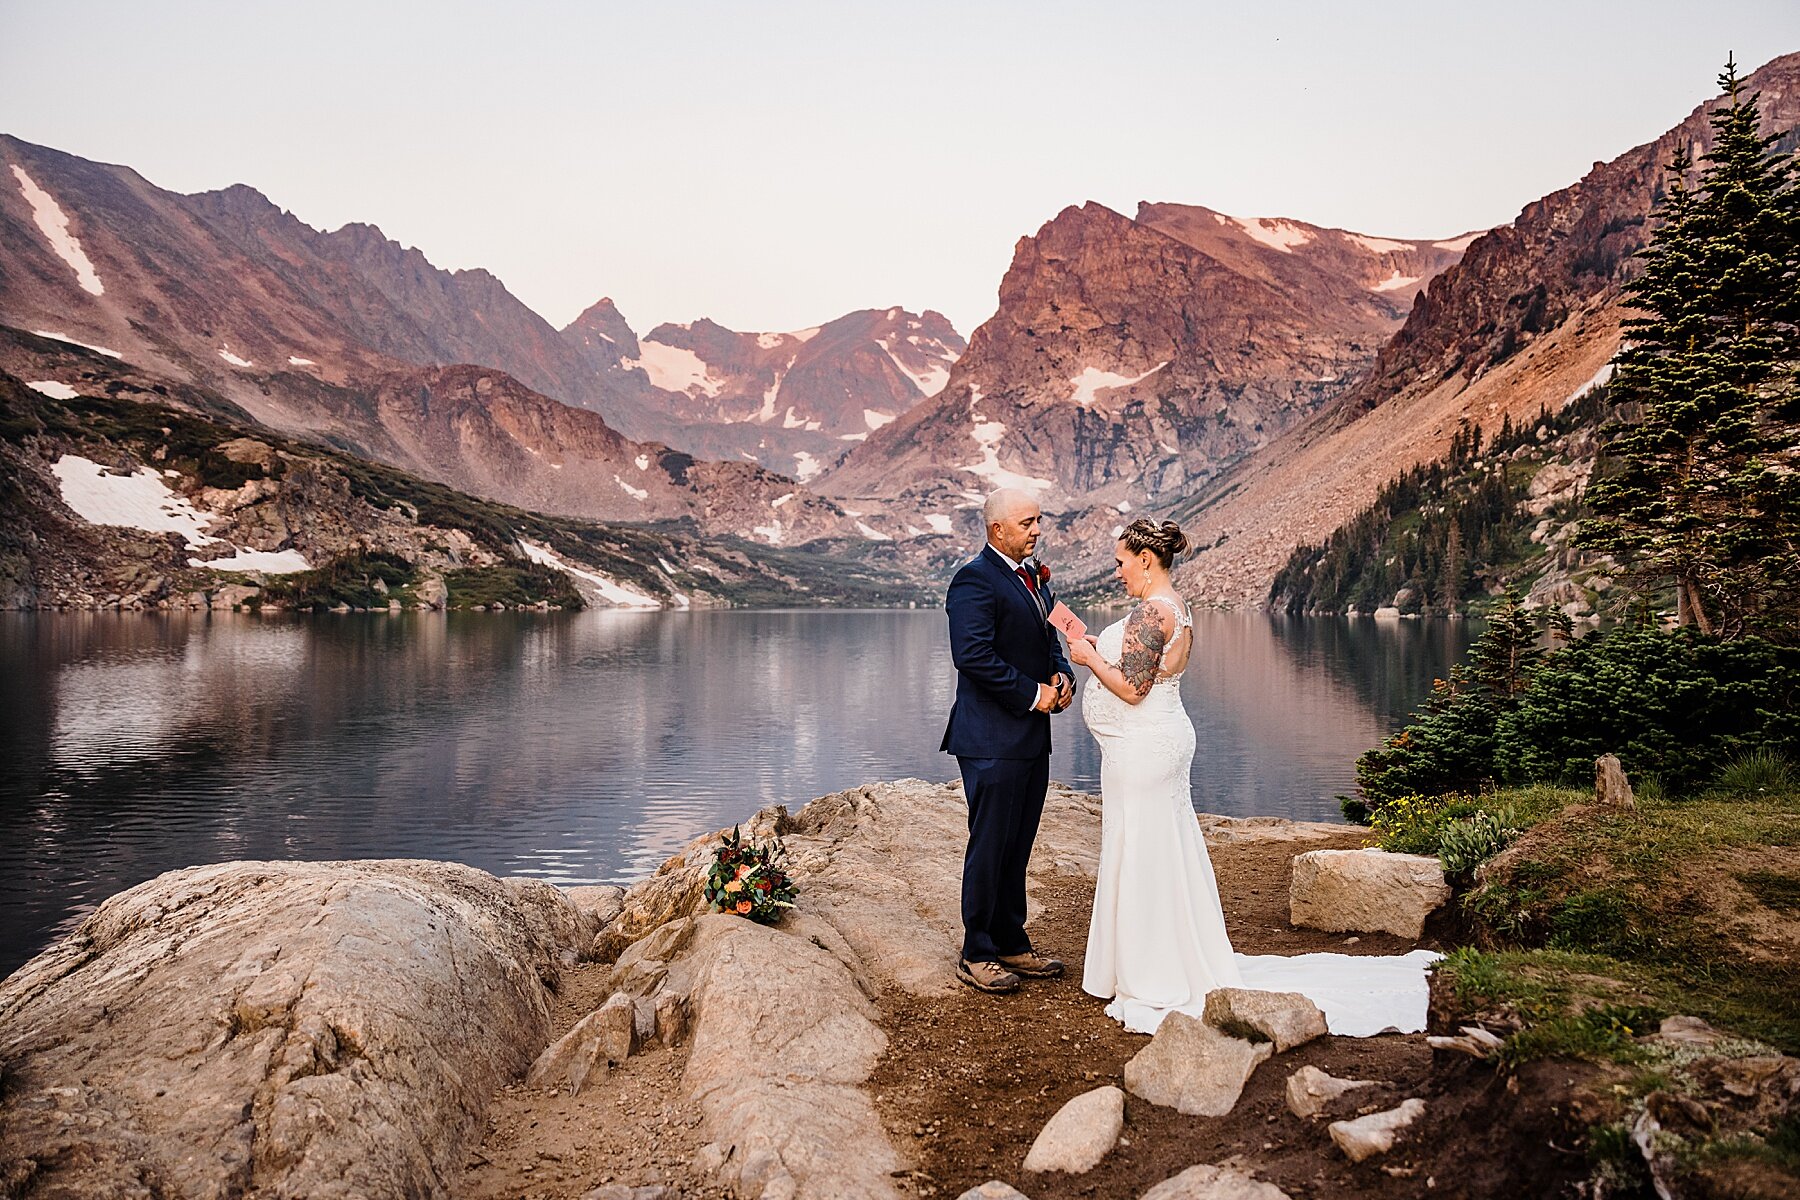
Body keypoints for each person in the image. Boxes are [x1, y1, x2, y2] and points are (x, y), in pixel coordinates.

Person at [1064, 518, 1243, 1032]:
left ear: (1145, 558)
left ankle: (1150, 973)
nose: (1117, 571)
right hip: (1159, 742)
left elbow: (1133, 689)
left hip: (1144, 749)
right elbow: (1150, 669)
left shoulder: (1150, 612)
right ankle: (1174, 954)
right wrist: (1107, 651)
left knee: (1141, 846)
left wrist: (1089, 657)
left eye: (1121, 562)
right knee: (1163, 844)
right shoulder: (1175, 607)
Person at [941, 488, 1075, 994]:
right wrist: (1033, 694)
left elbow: (1050, 644)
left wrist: (1062, 680)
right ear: (998, 530)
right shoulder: (974, 580)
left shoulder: (1036, 580)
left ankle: (1012, 942)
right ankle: (976, 951)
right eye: (1027, 523)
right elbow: (971, 655)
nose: (1036, 530)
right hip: (990, 739)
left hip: (1029, 737)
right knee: (990, 843)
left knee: (1017, 845)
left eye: (1037, 520)